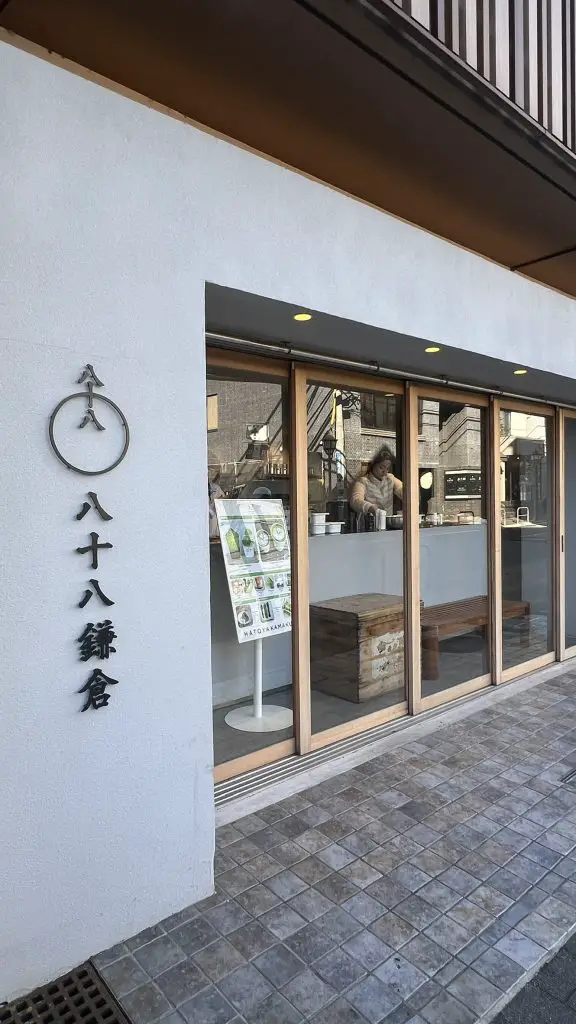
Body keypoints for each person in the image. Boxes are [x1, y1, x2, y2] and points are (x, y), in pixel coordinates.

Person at [349, 446, 403, 516]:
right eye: (381, 467)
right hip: (369, 523)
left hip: (388, 523)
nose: (384, 472)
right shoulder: (363, 481)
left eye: (387, 468)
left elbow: (401, 489)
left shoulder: (390, 478)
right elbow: (355, 501)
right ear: (373, 465)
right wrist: (369, 507)